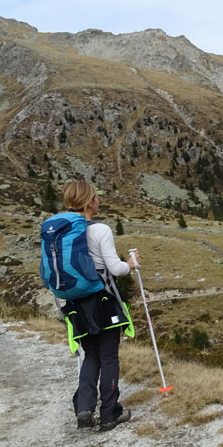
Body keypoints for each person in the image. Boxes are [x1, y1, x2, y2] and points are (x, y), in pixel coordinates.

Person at [62, 180, 138, 432]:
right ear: (88, 202)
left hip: (76, 303)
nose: (99, 201)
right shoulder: (101, 230)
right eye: (96, 197)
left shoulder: (61, 232)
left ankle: (84, 408)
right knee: (108, 356)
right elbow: (115, 269)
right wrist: (130, 264)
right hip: (103, 301)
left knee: (90, 356)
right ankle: (109, 414)